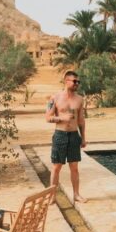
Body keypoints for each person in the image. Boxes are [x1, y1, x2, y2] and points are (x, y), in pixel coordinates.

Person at [46, 70, 87, 203]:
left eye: (78, 82)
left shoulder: (80, 99)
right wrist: (62, 118)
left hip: (74, 135)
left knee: (74, 167)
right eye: (74, 81)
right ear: (66, 81)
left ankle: (76, 194)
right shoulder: (55, 98)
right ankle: (52, 196)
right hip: (60, 135)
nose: (77, 84)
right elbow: (48, 118)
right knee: (56, 167)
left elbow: (81, 120)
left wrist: (83, 137)